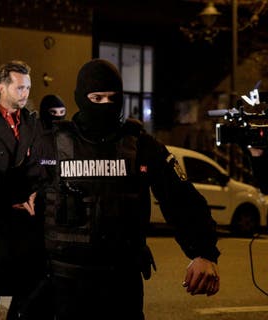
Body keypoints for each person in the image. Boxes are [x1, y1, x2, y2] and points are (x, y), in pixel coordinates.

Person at [24, 59, 220, 319]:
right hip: (62, 284)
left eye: (112, 98)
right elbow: (13, 190)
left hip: (121, 285)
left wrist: (203, 252)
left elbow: (182, 198)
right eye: (96, 97)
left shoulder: (140, 145)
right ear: (81, 98)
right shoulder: (49, 145)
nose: (105, 105)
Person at [0, 60, 42, 320]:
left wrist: (36, 194)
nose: (25, 93)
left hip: (26, 221)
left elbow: (41, 165)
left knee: (25, 293)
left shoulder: (34, 123)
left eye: (28, 88)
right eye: (20, 88)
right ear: (2, 87)